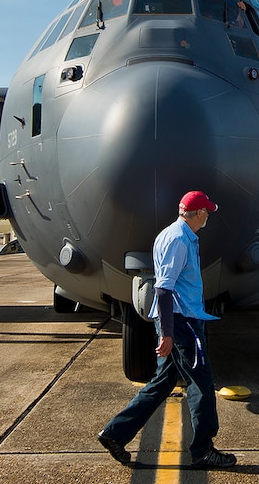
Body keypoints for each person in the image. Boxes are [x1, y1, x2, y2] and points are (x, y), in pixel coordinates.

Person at [97, 190, 236, 469]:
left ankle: (115, 434)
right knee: (201, 383)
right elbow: (163, 288)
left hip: (177, 319)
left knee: (162, 383)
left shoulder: (173, 235)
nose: (208, 215)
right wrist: (169, 334)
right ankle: (203, 450)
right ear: (197, 213)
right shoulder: (178, 240)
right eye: (206, 211)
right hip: (182, 322)